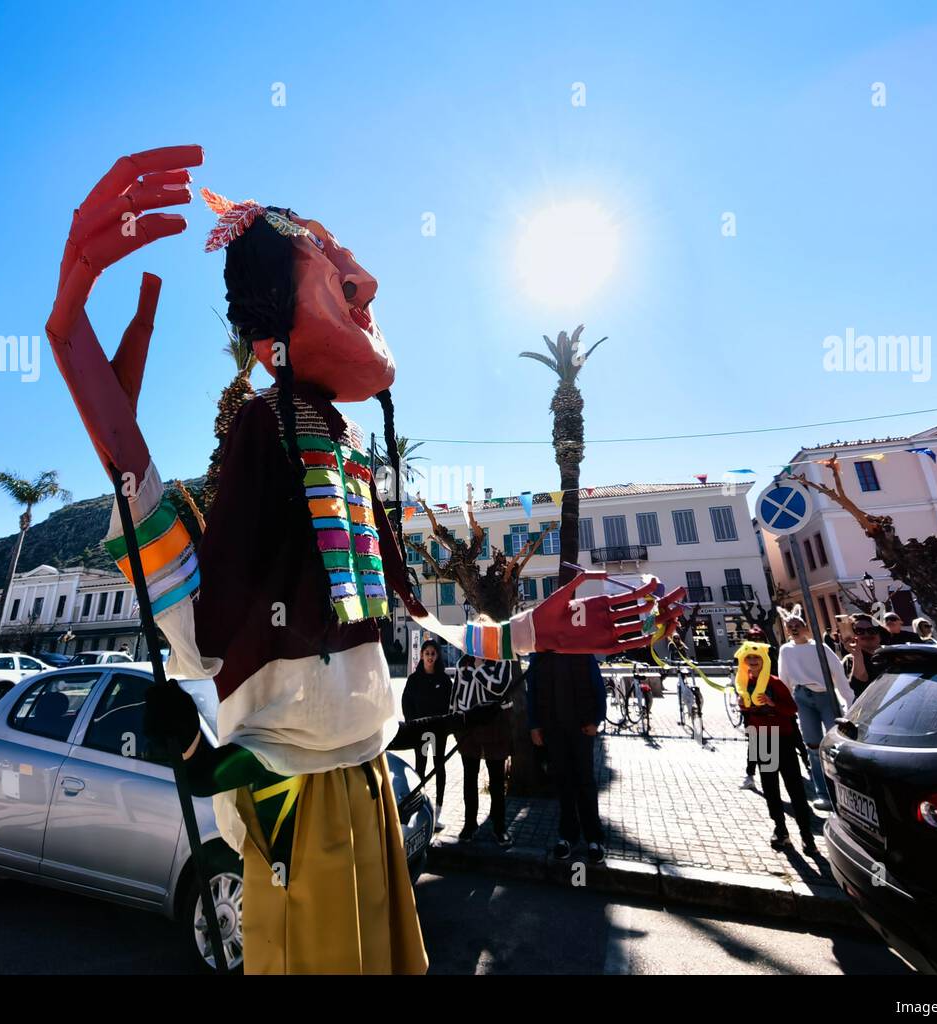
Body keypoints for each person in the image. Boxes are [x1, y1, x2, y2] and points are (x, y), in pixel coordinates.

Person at [50, 149, 688, 974]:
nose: (367, 283)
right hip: (299, 796)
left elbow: (412, 620)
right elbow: (202, 620)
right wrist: (76, 354)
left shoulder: (342, 448)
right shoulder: (263, 429)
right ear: (273, 316)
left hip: (367, 784)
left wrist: (533, 630)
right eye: (332, 262)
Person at [734, 641, 817, 853]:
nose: (752, 663)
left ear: (764, 661)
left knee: (795, 788)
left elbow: (792, 709)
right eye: (748, 660)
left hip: (783, 739)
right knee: (770, 788)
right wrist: (744, 706)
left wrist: (773, 705)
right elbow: (749, 713)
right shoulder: (744, 684)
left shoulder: (775, 683)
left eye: (756, 659)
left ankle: (807, 836)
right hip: (762, 740)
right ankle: (780, 830)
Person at [527, 652, 607, 864]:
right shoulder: (539, 654)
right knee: (563, 782)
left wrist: (597, 719)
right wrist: (534, 724)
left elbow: (597, 684)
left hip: (581, 726)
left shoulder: (580, 648)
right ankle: (567, 835)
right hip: (553, 728)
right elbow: (532, 691)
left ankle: (594, 838)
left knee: (585, 781)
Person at [775, 606, 852, 809]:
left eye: (797, 625)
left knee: (836, 742)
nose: (793, 629)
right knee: (813, 745)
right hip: (802, 697)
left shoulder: (820, 647)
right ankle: (823, 792)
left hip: (825, 695)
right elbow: (784, 679)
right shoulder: (786, 650)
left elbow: (838, 674)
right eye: (789, 626)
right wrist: (785, 704)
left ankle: (843, 789)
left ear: (805, 627)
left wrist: (848, 699)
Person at [451, 654, 516, 846]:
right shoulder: (463, 661)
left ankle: (499, 826)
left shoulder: (502, 660)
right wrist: (453, 720)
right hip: (468, 724)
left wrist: (479, 667)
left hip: (494, 723)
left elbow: (499, 687)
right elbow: (456, 692)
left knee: (496, 780)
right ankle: (470, 824)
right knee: (469, 778)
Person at [400, 639, 452, 828]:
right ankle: (419, 808)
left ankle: (438, 812)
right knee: (419, 768)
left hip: (439, 732)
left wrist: (446, 725)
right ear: (421, 655)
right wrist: (412, 724)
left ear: (437, 656)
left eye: (433, 653)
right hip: (420, 732)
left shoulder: (444, 680)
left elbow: (450, 705)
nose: (430, 657)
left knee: (439, 767)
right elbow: (406, 702)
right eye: (427, 653)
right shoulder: (414, 679)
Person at [842, 614, 884, 698]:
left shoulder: (892, 653)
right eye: (859, 631)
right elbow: (860, 684)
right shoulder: (851, 659)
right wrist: (856, 653)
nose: (866, 634)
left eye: (872, 630)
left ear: (879, 634)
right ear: (853, 635)